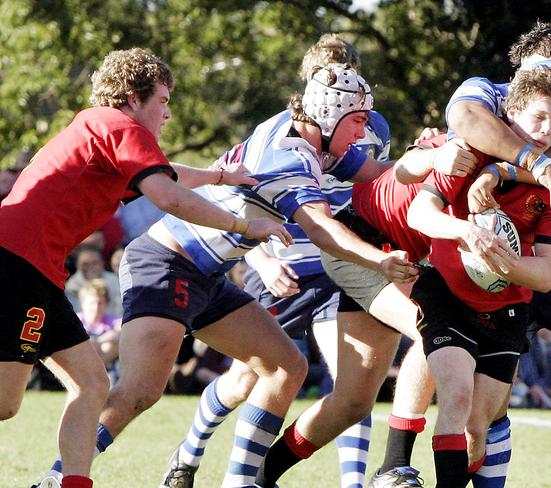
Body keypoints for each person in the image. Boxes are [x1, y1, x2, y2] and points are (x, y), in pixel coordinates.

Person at [37, 63, 416, 488]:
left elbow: (377, 171)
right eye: (358, 122)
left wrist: (435, 159)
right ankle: (56, 479)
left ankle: (240, 483)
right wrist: (378, 261)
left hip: (209, 275)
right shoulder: (290, 159)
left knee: (284, 367)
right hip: (166, 262)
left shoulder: (300, 132)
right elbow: (322, 229)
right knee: (140, 390)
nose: (362, 136)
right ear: (330, 116)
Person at [370, 21, 551, 488]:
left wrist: (499, 170)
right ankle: (396, 460)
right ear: (529, 68)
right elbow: (466, 122)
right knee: (474, 402)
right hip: (474, 248)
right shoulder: (483, 89)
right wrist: (536, 162)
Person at [0, 47, 286, 488]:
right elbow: (168, 198)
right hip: (18, 266)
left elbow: (164, 174)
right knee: (4, 402)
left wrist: (219, 177)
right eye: (164, 100)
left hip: (36, 270)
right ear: (134, 98)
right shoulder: (120, 125)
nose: (167, 114)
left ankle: (67, 483)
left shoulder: (101, 129)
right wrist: (246, 225)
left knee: (92, 385)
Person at [159, 33, 391, 488]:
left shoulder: (370, 128)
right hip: (282, 261)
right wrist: (263, 261)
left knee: (352, 382)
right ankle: (189, 451)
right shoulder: (280, 132)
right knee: (249, 377)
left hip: (337, 267)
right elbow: (244, 197)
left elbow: (374, 189)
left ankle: (352, 483)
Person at [76, 279, 121, 371]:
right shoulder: (76, 320)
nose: (96, 308)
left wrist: (99, 341)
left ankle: (94, 372)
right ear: (83, 303)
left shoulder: (110, 320)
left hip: (106, 364)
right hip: (79, 362)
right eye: (92, 303)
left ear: (106, 304)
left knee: (110, 345)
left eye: (100, 303)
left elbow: (122, 329)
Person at [65, 246, 122, 316]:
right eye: (85, 264)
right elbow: (74, 313)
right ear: (78, 265)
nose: (90, 267)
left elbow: (120, 308)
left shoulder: (114, 280)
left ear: (102, 263)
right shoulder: (71, 286)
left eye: (95, 263)